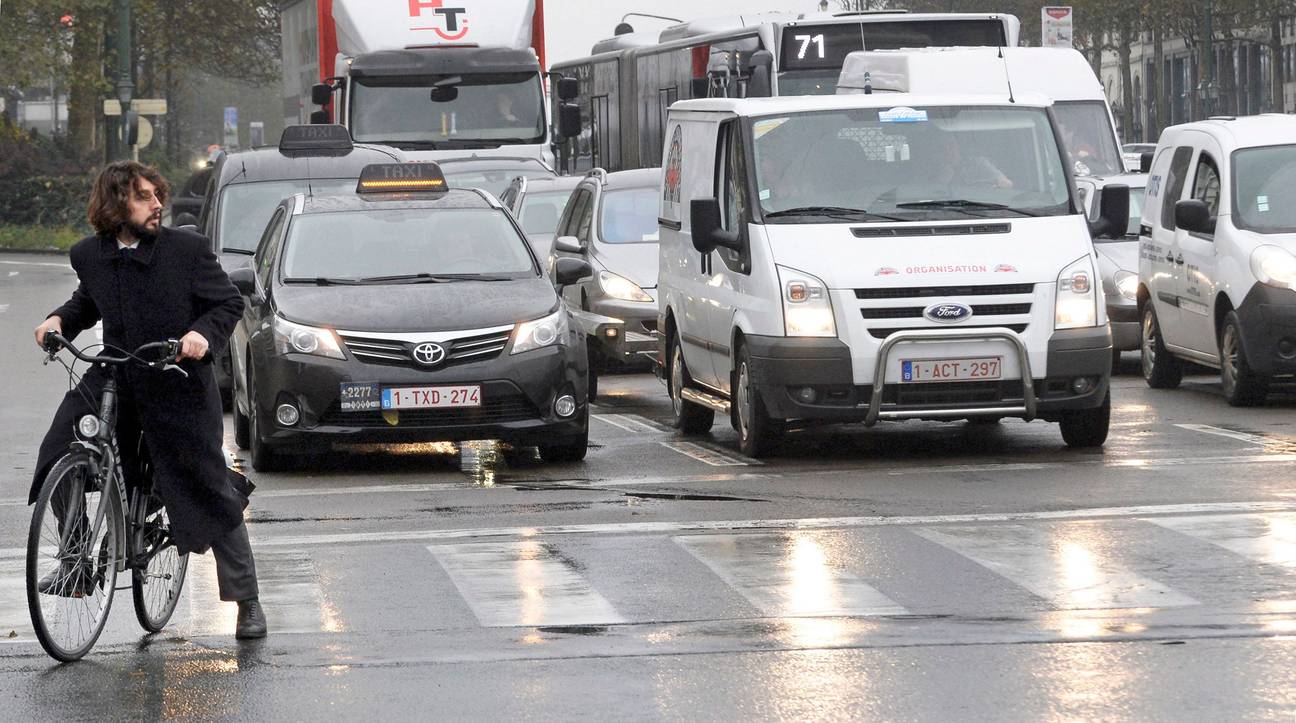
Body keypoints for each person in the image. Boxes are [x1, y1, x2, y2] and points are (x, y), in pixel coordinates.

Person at [30, 161, 267, 640]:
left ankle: (247, 600)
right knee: (61, 444)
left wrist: (201, 334)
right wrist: (57, 321)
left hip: (176, 378)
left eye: (157, 194)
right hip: (117, 371)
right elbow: (86, 302)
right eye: (144, 196)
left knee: (206, 482)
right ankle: (77, 561)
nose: (158, 204)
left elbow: (227, 303)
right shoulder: (90, 255)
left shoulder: (186, 250)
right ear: (116, 205)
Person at [929, 132, 1013, 190]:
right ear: (937, 151)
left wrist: (1001, 182)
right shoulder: (932, 169)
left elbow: (1004, 181)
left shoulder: (979, 163)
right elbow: (928, 194)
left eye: (951, 145)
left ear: (958, 147)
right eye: (942, 147)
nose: (948, 150)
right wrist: (942, 181)